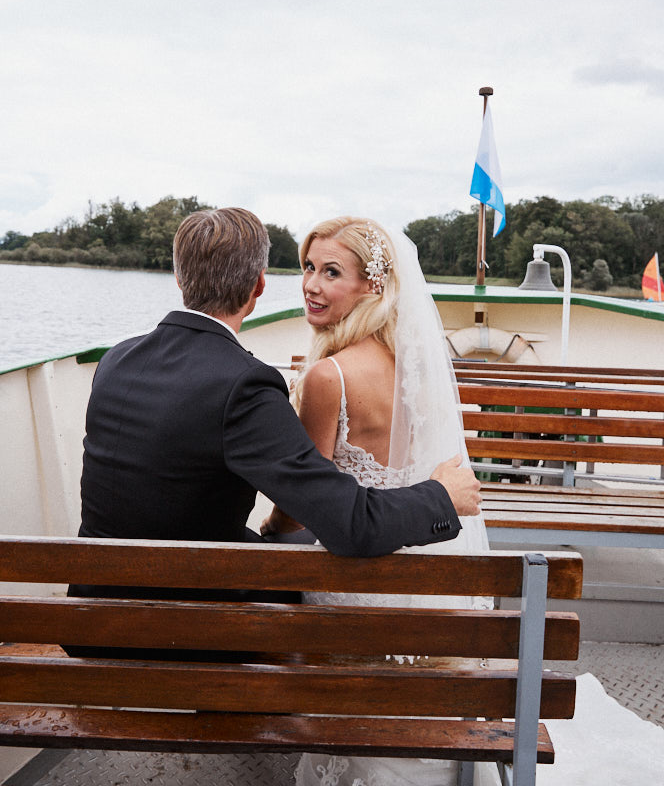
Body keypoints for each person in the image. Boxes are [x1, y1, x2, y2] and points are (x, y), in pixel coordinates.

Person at [72, 208, 481, 607]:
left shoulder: (116, 360)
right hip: (189, 621)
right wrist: (440, 496)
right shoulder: (245, 384)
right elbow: (350, 525)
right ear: (259, 286)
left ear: (179, 277)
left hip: (91, 610)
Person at [260, 216, 490, 786]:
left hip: (356, 589)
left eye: (332, 272)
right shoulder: (417, 369)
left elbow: (299, 511)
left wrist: (265, 539)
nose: (311, 284)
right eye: (308, 267)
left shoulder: (328, 377)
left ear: (373, 287)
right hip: (429, 584)